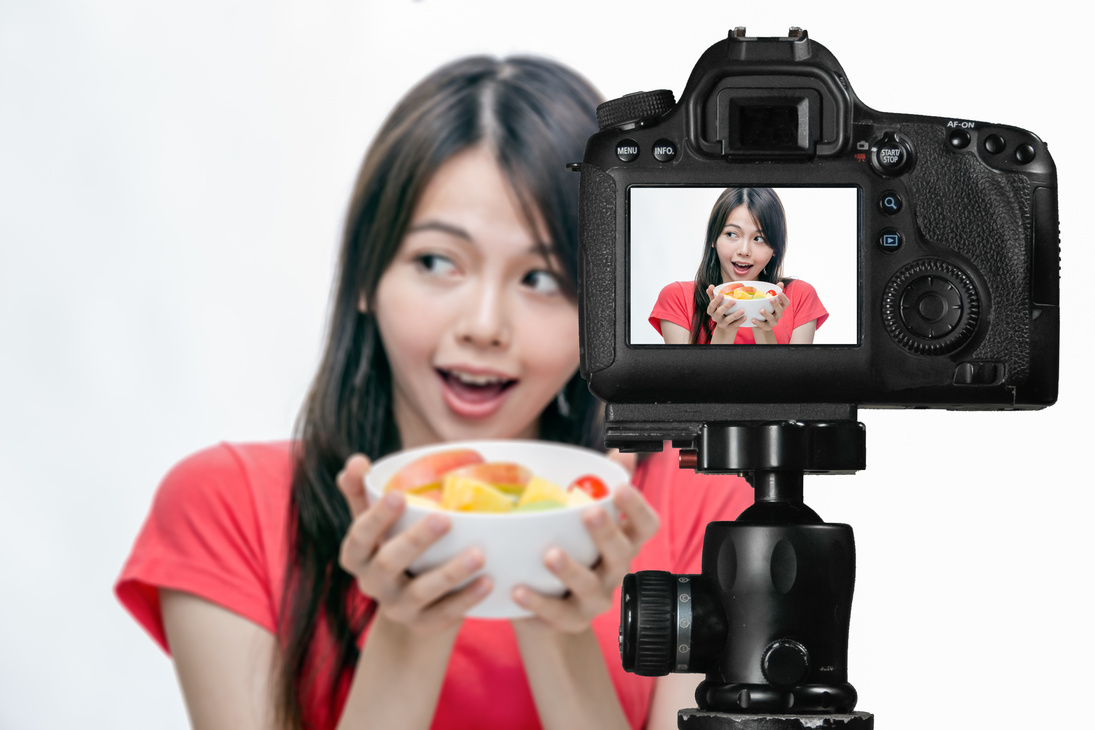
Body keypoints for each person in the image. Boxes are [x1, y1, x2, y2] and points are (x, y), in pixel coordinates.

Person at [115, 56, 753, 730]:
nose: (482, 327)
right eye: (436, 262)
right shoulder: (229, 508)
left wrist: (555, 620)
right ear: (365, 277)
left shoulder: (701, 507)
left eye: (540, 278)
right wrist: (407, 631)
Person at [649, 187, 828, 345]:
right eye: (732, 234)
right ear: (713, 238)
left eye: (759, 238)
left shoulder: (799, 296)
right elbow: (687, 383)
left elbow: (792, 383)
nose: (744, 251)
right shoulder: (677, 297)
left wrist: (763, 328)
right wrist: (724, 330)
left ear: (775, 248)